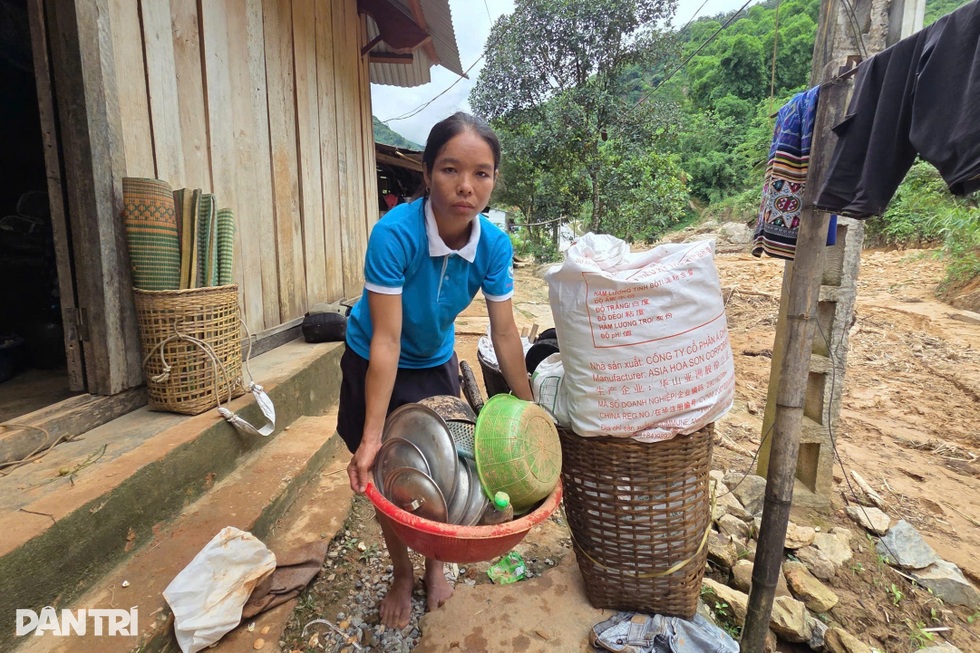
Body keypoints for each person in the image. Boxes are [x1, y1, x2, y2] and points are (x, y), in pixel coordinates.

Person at [337, 112, 532, 629]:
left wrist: (529, 413)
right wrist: (372, 434)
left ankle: (435, 567)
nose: (466, 186)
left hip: (434, 361)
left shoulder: (492, 245)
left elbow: (506, 334)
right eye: (450, 170)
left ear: (493, 180)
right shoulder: (394, 235)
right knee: (386, 474)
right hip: (374, 357)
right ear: (426, 173)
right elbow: (386, 338)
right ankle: (402, 573)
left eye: (482, 174)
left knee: (450, 470)